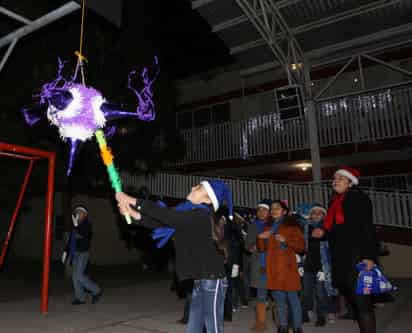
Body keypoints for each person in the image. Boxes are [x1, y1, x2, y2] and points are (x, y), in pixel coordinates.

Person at [116, 180, 233, 333]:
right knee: (193, 328)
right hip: (200, 279)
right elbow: (162, 223)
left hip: (213, 279)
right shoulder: (189, 213)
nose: (192, 187)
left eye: (198, 187)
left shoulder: (201, 215)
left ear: (208, 199)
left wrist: (130, 200)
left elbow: (166, 215)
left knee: (213, 328)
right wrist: (133, 214)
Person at [312, 167, 378, 333]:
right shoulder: (335, 202)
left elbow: (367, 229)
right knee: (354, 300)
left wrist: (369, 257)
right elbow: (337, 229)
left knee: (362, 303)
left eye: (340, 178)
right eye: (334, 178)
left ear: (350, 182)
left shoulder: (358, 198)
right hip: (341, 257)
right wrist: (324, 233)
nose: (335, 180)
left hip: (357, 257)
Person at [259, 200, 305, 333]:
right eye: (272, 208)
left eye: (277, 208)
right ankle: (282, 326)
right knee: (279, 300)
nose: (274, 211)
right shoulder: (267, 227)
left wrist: (286, 240)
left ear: (284, 211)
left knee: (293, 300)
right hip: (273, 268)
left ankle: (297, 327)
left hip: (288, 268)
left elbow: (301, 247)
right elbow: (262, 249)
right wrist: (261, 238)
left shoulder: (292, 227)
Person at [302, 204, 337, 326]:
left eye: (319, 212)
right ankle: (308, 311)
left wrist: (326, 268)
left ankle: (322, 315)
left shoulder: (328, 228)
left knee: (321, 292)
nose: (316, 215)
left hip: (322, 265)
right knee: (306, 292)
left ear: (324, 215)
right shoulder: (306, 227)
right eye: (314, 212)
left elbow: (333, 247)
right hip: (308, 264)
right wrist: (300, 262)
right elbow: (303, 246)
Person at [64, 206, 102, 305]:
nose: (77, 214)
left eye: (80, 212)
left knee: (79, 275)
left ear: (85, 215)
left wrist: (76, 226)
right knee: (75, 277)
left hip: (83, 253)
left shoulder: (87, 225)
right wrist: (65, 252)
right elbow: (71, 240)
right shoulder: (75, 226)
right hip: (75, 253)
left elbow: (84, 234)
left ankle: (96, 291)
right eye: (76, 212)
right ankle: (80, 298)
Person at [247, 199, 272, 332]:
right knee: (261, 293)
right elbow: (248, 244)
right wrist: (252, 246)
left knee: (279, 293)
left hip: (275, 263)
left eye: (264, 210)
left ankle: (282, 322)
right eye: (259, 210)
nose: (261, 212)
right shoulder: (253, 225)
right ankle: (261, 322)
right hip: (260, 263)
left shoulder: (275, 224)